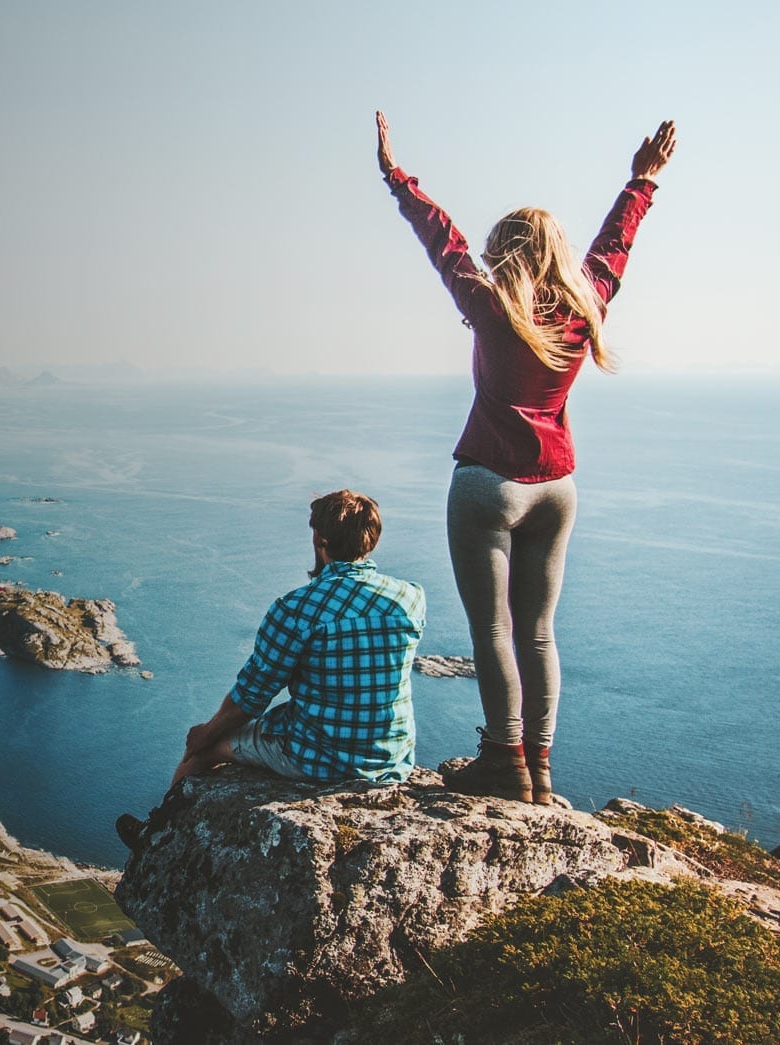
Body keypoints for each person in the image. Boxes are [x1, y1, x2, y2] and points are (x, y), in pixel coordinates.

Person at [375, 112, 677, 804]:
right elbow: (615, 246)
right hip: (558, 487)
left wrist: (397, 176)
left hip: (488, 484)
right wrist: (642, 179)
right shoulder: (586, 307)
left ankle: (504, 761)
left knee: (493, 630)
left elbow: (440, 237)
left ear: (505, 253)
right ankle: (539, 767)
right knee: (539, 632)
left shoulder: (488, 305)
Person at [117, 491, 425, 851]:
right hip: (390, 758)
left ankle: (153, 839)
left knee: (203, 752)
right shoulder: (410, 598)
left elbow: (252, 696)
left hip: (319, 756)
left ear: (320, 540)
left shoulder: (296, 608)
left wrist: (205, 734)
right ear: (372, 539)